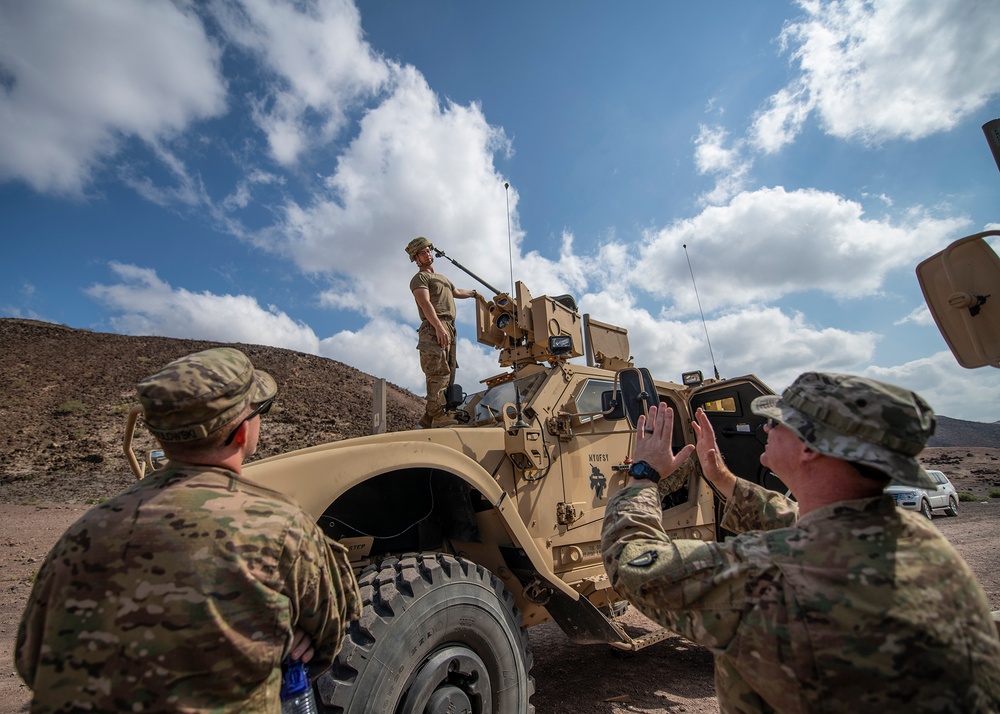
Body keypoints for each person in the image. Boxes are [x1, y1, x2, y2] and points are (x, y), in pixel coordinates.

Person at [601, 371, 1000, 712]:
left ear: (811, 447)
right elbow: (798, 519)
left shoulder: (776, 572)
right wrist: (722, 478)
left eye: (779, 422)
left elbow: (633, 564)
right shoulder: (915, 537)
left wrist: (643, 476)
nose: (765, 428)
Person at [16, 347, 361, 713]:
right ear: (242, 432)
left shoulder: (85, 530)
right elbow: (329, 635)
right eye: (261, 410)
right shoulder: (279, 525)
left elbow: (29, 658)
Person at [406, 236, 478, 428]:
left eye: (428, 250)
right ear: (416, 259)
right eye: (422, 252)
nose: (427, 253)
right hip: (433, 326)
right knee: (438, 372)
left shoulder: (443, 279)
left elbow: (456, 292)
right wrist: (438, 326)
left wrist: (474, 293)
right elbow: (424, 302)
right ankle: (437, 416)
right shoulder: (420, 278)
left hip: (449, 327)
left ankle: (430, 418)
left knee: (449, 373)